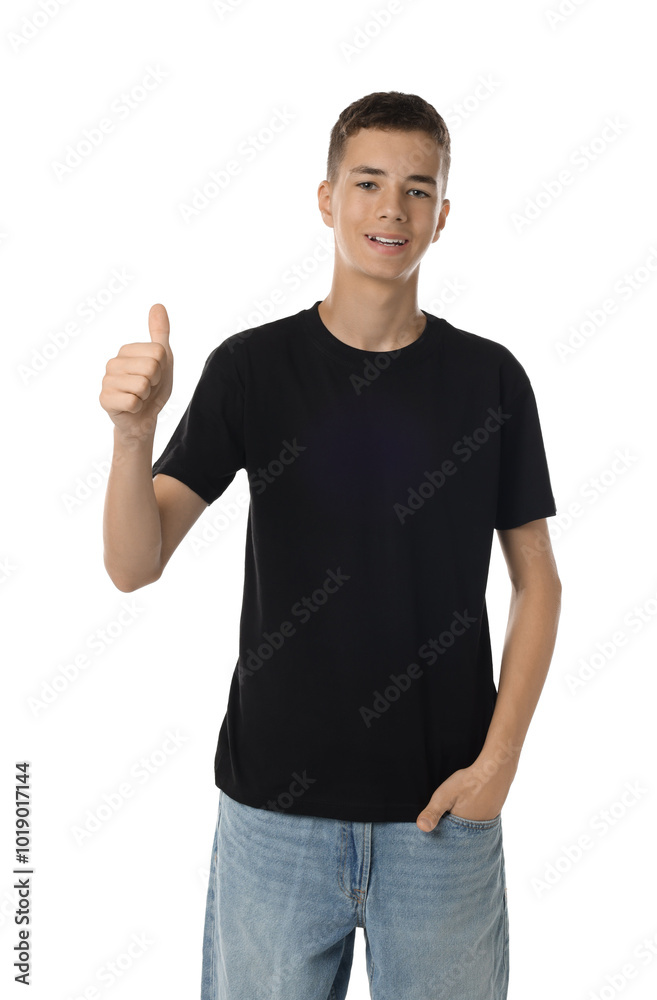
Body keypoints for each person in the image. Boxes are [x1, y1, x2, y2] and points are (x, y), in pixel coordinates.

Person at [100, 90, 562, 1000]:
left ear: (441, 215)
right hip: (273, 818)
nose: (391, 206)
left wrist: (497, 766)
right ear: (326, 199)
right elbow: (133, 562)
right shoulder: (251, 369)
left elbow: (537, 583)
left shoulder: (490, 380)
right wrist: (131, 438)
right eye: (368, 182)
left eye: (417, 188)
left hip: (440, 818)